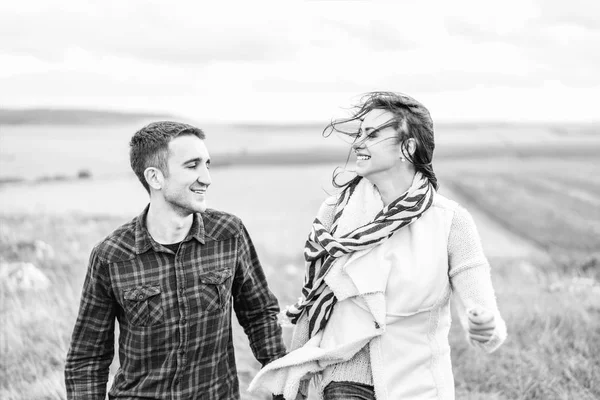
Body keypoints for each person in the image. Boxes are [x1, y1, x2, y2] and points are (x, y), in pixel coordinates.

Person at [249, 92, 507, 400]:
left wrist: (485, 326)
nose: (358, 143)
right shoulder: (333, 213)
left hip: (418, 382)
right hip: (342, 376)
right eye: (359, 133)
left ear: (407, 148)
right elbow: (316, 302)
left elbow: (482, 309)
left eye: (372, 134)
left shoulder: (451, 222)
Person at [65, 121, 287, 399]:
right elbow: (87, 359)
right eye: (192, 166)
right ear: (155, 178)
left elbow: (259, 315)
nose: (206, 177)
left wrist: (282, 386)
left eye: (207, 164)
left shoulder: (229, 234)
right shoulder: (112, 256)